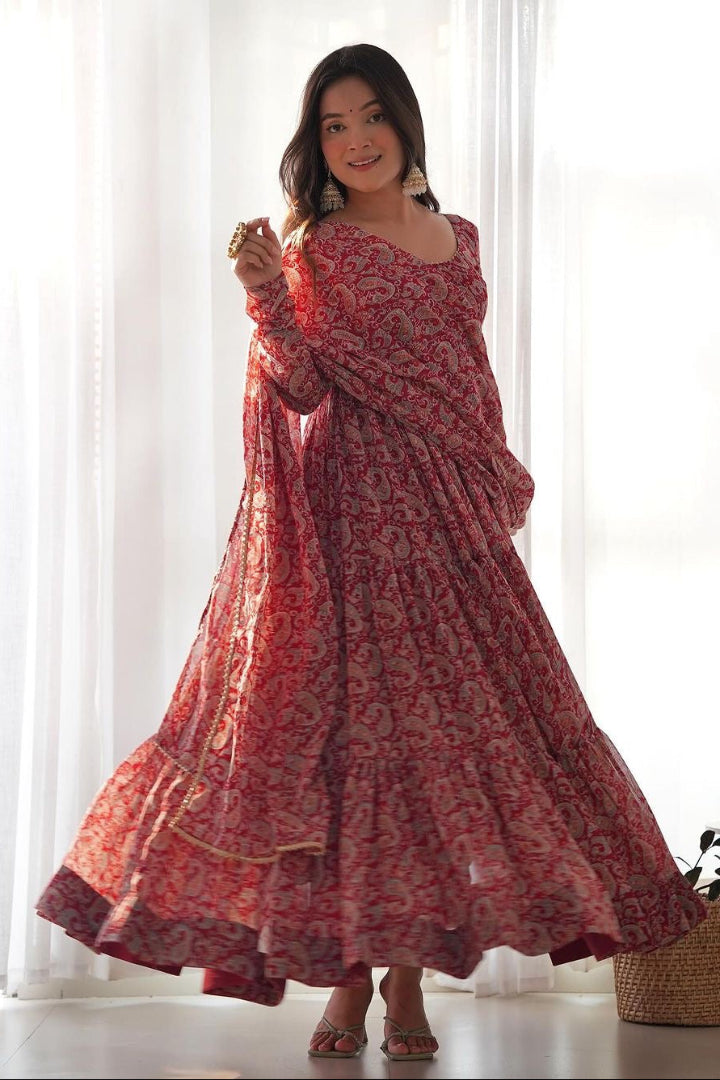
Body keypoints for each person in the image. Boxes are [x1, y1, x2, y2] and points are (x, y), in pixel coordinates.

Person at [36, 43, 705, 1064]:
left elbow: (466, 380)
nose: (352, 142)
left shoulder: (461, 240)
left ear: (405, 119)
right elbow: (302, 390)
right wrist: (265, 292)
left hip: (449, 524)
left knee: (442, 750)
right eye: (332, 127)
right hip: (350, 518)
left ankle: (407, 992)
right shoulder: (318, 249)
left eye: (368, 117)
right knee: (350, 754)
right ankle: (345, 996)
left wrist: (487, 473)